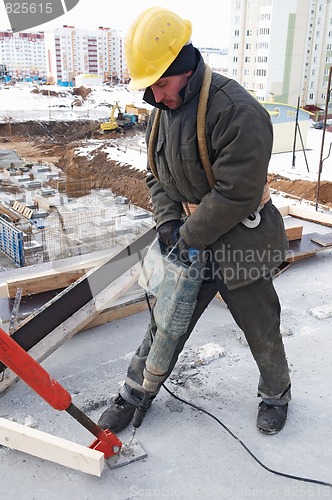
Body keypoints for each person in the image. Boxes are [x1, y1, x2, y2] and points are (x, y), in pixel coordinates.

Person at [98, 6, 291, 435]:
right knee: (165, 321)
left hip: (241, 238)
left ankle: (276, 395)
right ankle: (135, 393)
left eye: (161, 85)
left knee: (260, 325)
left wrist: (188, 235)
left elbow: (236, 193)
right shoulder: (162, 111)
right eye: (150, 89)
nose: (156, 97)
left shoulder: (235, 110)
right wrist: (168, 220)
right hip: (190, 238)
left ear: (183, 66)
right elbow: (156, 173)